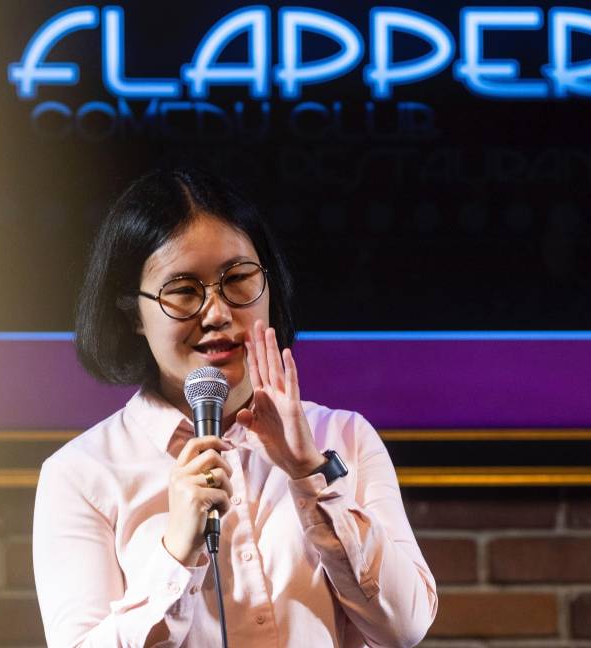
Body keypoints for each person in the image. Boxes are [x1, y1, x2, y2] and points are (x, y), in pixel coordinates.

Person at [33, 167, 438, 647]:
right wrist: (175, 554)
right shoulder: (82, 474)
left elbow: (404, 628)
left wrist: (310, 475)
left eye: (239, 280)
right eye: (183, 291)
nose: (218, 313)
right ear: (133, 315)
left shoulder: (342, 438)